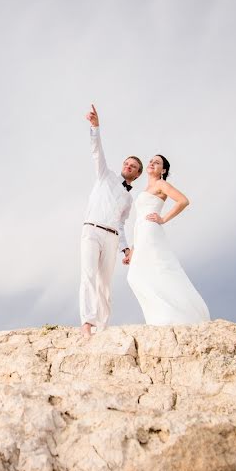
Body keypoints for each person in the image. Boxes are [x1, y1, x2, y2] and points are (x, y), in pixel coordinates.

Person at [80, 104, 143, 340]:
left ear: (137, 175)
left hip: (111, 237)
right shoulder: (105, 175)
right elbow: (97, 151)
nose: (129, 166)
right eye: (127, 163)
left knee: (104, 284)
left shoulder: (128, 198)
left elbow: (121, 225)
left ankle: (103, 327)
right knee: (87, 275)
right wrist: (95, 127)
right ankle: (87, 323)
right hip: (91, 230)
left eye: (134, 167)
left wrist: (126, 248)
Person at [124, 155, 210, 325]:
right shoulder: (146, 188)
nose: (152, 164)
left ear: (163, 170)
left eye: (157, 163)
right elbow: (139, 219)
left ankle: (170, 315)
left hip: (150, 229)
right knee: (138, 274)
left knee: (148, 271)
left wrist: (163, 219)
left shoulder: (161, 184)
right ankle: (160, 315)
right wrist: (133, 250)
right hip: (142, 232)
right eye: (151, 161)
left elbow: (183, 201)